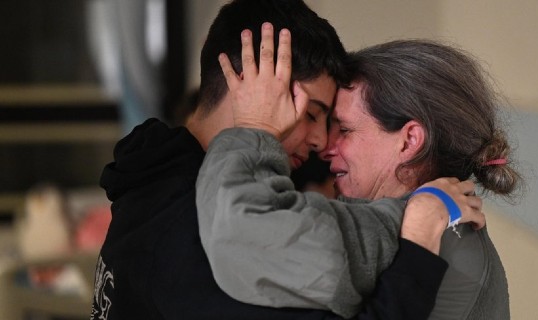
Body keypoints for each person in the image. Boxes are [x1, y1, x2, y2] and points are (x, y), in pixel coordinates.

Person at [91, 0, 484, 319]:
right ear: (249, 88)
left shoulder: (155, 177)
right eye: (311, 113)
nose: (320, 141)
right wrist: (416, 243)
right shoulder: (199, 229)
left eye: (335, 125)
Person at [197, 40, 523, 319]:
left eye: (345, 129)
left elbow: (241, 226)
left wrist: (255, 125)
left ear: (409, 141)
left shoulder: (403, 229)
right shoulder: (453, 231)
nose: (325, 147)